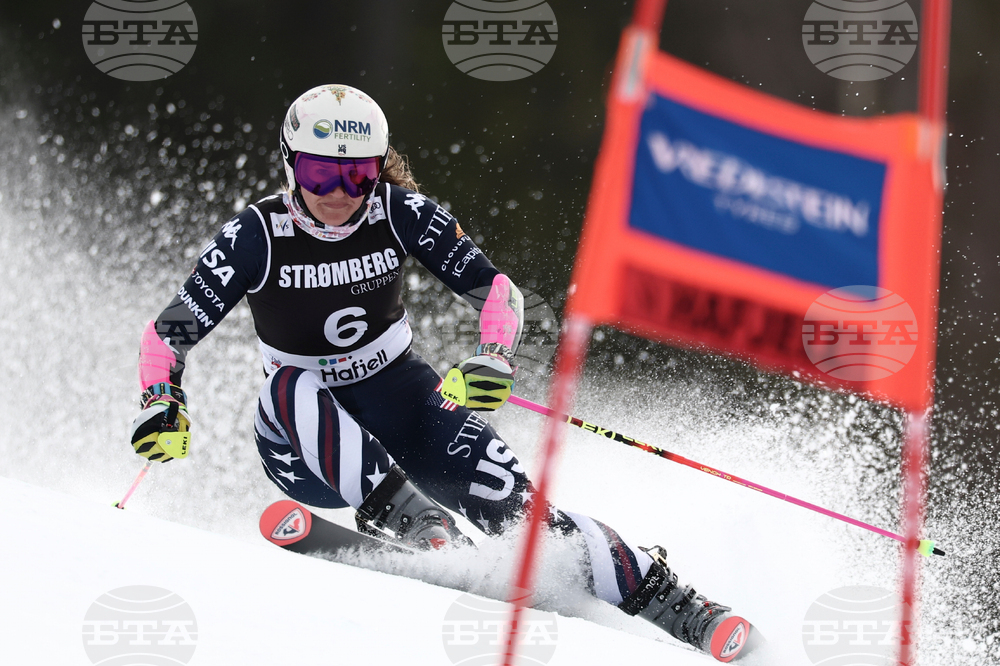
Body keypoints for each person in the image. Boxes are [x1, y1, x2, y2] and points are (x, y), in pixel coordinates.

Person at [129, 84, 760, 661]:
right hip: (306, 442)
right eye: (322, 174)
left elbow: (499, 293)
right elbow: (168, 332)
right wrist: (161, 399)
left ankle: (678, 606)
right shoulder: (256, 235)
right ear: (291, 165)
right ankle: (414, 522)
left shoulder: (400, 213)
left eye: (359, 174)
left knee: (529, 516)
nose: (341, 194)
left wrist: (493, 357)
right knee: (291, 383)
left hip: (405, 402)